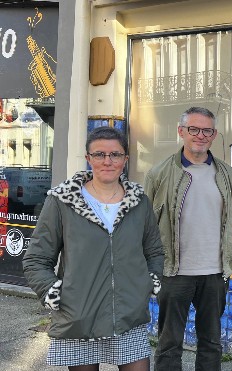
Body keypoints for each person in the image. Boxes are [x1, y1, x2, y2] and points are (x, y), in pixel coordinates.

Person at [22, 126, 164, 371]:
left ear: (125, 159)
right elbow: (36, 259)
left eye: (115, 154)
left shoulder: (139, 201)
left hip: (128, 317)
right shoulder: (62, 201)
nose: (107, 161)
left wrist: (149, 283)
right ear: (88, 159)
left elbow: (154, 251)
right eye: (99, 154)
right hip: (79, 317)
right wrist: (55, 293)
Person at [145, 106, 232, 371]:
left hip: (215, 273)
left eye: (207, 131)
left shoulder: (228, 175)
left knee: (211, 342)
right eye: (194, 129)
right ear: (181, 132)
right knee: (169, 343)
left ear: (214, 135)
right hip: (174, 272)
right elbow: (146, 226)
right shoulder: (159, 174)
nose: (200, 135)